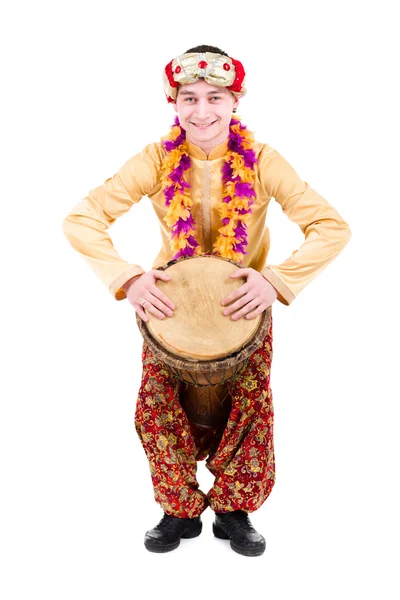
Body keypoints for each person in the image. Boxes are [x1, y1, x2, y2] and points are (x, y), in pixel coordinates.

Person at [62, 44, 352, 557]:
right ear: (173, 101)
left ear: (234, 100)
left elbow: (331, 226)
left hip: (245, 310)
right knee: (157, 411)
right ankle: (178, 511)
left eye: (214, 97)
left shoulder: (263, 162)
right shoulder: (155, 160)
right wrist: (129, 278)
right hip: (167, 311)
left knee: (249, 411)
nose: (201, 111)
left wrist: (277, 282)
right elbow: (81, 219)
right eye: (188, 98)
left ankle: (234, 512)